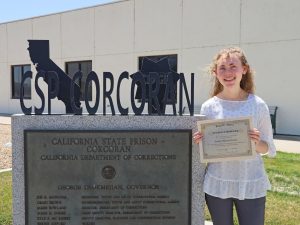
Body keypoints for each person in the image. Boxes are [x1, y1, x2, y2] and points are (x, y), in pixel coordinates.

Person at [193, 47, 276, 225]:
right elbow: (205, 150)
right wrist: (200, 142)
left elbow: (269, 148)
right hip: (217, 182)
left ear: (244, 69)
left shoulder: (258, 105)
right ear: (215, 72)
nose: (228, 72)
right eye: (222, 67)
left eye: (233, 66)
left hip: (250, 180)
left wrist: (256, 142)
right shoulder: (208, 107)